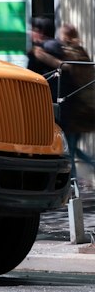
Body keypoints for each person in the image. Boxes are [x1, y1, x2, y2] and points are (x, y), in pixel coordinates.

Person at [55, 23, 95, 183]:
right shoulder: (80, 51)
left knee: (70, 149)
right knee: (73, 148)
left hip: (75, 109)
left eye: (61, 34)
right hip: (82, 107)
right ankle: (77, 177)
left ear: (66, 36)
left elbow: (71, 73)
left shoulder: (70, 53)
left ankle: (73, 182)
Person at [27, 16, 63, 98]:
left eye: (33, 30)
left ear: (41, 32)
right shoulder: (49, 45)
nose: (30, 32)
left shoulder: (47, 46)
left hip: (46, 93)